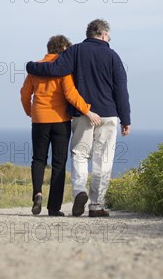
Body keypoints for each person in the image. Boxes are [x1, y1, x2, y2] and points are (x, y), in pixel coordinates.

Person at [26, 19, 131, 217]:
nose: (109, 39)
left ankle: (79, 191)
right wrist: (126, 119)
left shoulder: (75, 52)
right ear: (101, 34)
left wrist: (31, 66)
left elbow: (54, 70)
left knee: (80, 155)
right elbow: (121, 90)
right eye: (108, 36)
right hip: (108, 115)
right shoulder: (113, 56)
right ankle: (96, 206)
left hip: (83, 114)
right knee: (103, 158)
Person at [21, 35, 102, 217]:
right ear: (63, 48)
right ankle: (53, 208)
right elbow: (71, 94)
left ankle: (37, 194)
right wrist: (87, 111)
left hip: (39, 120)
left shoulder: (36, 69)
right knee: (59, 163)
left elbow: (25, 94)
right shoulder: (63, 70)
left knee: (39, 159)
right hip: (60, 121)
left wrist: (30, 112)